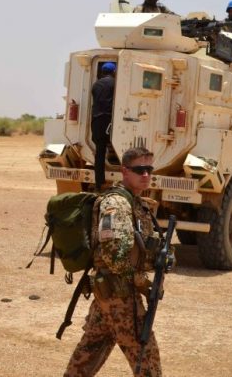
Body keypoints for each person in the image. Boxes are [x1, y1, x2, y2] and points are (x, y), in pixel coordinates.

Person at [64, 147, 164, 377]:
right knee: (146, 358)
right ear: (125, 171)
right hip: (120, 295)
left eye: (149, 169)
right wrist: (139, 280)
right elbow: (114, 254)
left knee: (88, 353)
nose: (146, 175)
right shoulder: (117, 204)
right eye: (140, 170)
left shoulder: (134, 201)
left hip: (108, 295)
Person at [91, 62, 116, 191]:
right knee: (118, 148)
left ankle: (99, 182)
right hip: (109, 120)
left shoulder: (95, 85)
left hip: (96, 121)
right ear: (113, 72)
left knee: (99, 152)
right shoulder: (114, 84)